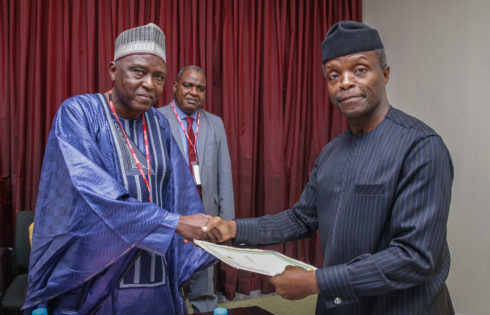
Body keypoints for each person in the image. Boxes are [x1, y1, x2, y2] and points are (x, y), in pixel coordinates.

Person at [204, 21, 455, 314]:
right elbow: (301, 218)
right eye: (333, 75)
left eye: (360, 70)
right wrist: (234, 228)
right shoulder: (331, 152)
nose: (345, 82)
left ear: (384, 74)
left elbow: (414, 257)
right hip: (339, 306)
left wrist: (317, 282)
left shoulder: (421, 147)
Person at [22, 23, 217, 314]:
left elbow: (180, 191)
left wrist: (204, 229)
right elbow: (95, 193)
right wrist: (172, 223)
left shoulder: (159, 124)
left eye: (159, 76)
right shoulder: (79, 113)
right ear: (113, 71)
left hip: (154, 273)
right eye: (138, 71)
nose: (150, 84)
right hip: (96, 272)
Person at [158, 65, 235, 312]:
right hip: (171, 216)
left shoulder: (215, 124)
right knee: (166, 282)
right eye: (187, 85)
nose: (194, 92)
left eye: (200, 88)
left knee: (204, 283)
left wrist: (228, 222)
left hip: (207, 215)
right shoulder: (156, 118)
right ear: (175, 87)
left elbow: (225, 173)